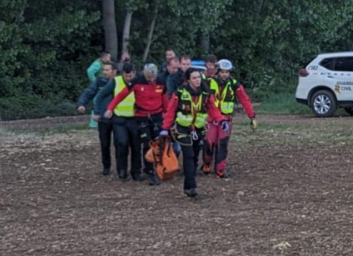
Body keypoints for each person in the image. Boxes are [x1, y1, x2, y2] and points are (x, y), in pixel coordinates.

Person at [105, 63, 166, 185]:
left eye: (153, 78)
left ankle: (157, 167)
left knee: (158, 144)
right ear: (144, 74)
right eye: (149, 78)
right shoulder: (136, 82)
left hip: (157, 116)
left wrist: (167, 115)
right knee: (147, 143)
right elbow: (120, 96)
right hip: (142, 117)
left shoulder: (161, 82)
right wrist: (110, 109)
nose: (151, 80)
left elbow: (165, 100)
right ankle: (149, 171)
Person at [161, 69, 218, 198]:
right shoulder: (180, 93)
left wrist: (220, 120)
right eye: (194, 78)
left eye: (198, 77)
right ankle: (191, 187)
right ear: (188, 80)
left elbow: (213, 109)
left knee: (194, 157)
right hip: (182, 129)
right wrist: (165, 127)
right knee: (188, 155)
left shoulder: (206, 93)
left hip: (198, 129)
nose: (197, 80)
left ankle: (188, 185)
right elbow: (171, 110)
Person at [203, 59, 257, 178]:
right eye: (222, 72)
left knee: (222, 143)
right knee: (209, 142)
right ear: (218, 71)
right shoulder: (208, 83)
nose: (224, 74)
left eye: (227, 72)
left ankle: (220, 169)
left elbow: (244, 99)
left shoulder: (234, 84)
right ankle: (207, 163)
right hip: (211, 118)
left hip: (226, 119)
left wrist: (252, 116)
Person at [98, 63, 142, 182]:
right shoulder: (115, 82)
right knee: (122, 144)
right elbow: (101, 95)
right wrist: (102, 111)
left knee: (136, 146)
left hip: (135, 119)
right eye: (126, 76)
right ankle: (122, 170)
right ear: (122, 74)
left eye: (131, 76)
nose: (129, 79)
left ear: (134, 73)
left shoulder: (140, 81)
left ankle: (136, 171)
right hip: (119, 119)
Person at [77, 62, 117, 176]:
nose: (105, 72)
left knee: (120, 143)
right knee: (104, 144)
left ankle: (121, 168)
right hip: (103, 118)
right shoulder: (100, 82)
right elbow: (89, 92)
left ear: (114, 71)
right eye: (104, 70)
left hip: (117, 117)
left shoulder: (120, 82)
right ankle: (106, 167)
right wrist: (81, 104)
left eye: (107, 70)